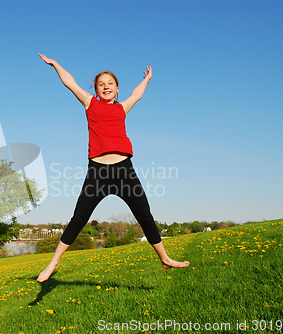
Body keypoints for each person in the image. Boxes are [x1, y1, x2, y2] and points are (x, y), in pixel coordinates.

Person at [36, 53, 190, 283]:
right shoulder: (90, 104)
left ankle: (165, 258)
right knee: (79, 218)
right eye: (101, 84)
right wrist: (55, 64)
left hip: (124, 171)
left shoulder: (122, 109)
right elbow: (70, 82)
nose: (106, 87)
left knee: (145, 216)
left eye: (110, 84)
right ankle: (54, 262)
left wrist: (147, 79)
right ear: (96, 90)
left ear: (117, 89)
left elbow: (137, 95)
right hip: (97, 172)